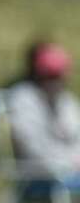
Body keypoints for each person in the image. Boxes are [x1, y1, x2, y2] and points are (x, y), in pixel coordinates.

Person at [6, 41, 80, 188]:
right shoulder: (23, 100)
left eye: (59, 75)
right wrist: (69, 161)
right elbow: (34, 149)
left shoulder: (65, 101)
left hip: (69, 166)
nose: (56, 82)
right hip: (38, 172)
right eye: (51, 76)